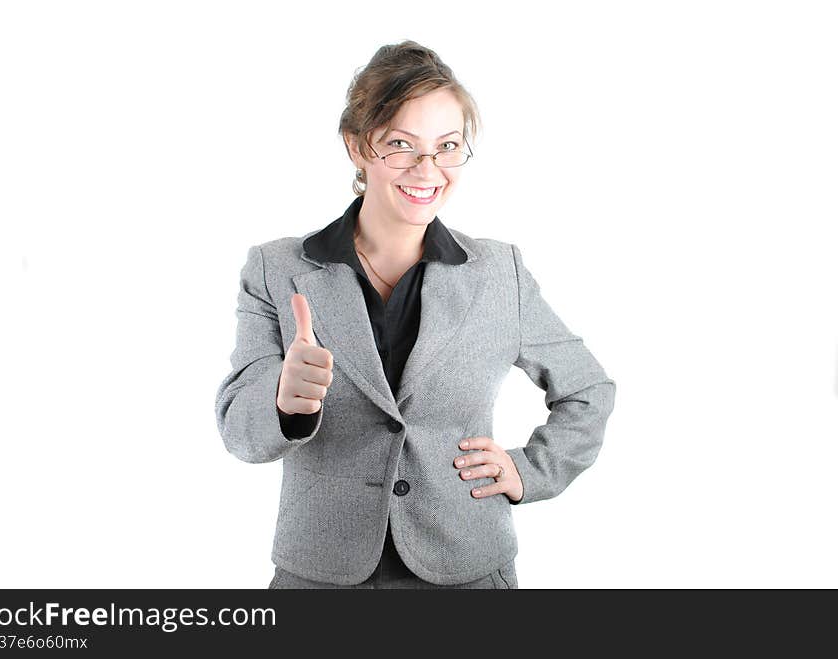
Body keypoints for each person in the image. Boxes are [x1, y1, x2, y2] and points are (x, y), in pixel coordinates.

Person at [214, 40, 616, 589]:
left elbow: (588, 389)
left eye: (447, 145)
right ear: (358, 147)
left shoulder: (500, 272)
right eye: (400, 144)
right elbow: (239, 431)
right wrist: (284, 401)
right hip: (320, 573)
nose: (428, 169)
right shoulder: (275, 269)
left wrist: (527, 471)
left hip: (467, 568)